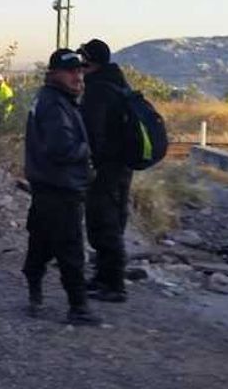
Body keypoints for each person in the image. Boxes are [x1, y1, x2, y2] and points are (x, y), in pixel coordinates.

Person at [22, 49, 100, 325]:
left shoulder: (54, 99)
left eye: (80, 71)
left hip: (47, 185)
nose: (78, 77)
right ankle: (78, 307)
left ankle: (34, 294)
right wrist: (88, 150)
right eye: (71, 71)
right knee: (70, 249)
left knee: (41, 242)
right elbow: (61, 148)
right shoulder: (55, 105)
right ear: (54, 74)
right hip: (60, 187)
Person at [78, 38, 134, 303]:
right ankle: (105, 277)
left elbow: (93, 132)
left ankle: (113, 284)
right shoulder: (117, 83)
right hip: (121, 165)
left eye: (83, 60)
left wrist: (92, 164)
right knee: (114, 219)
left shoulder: (99, 89)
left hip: (107, 167)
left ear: (92, 62)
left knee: (103, 222)